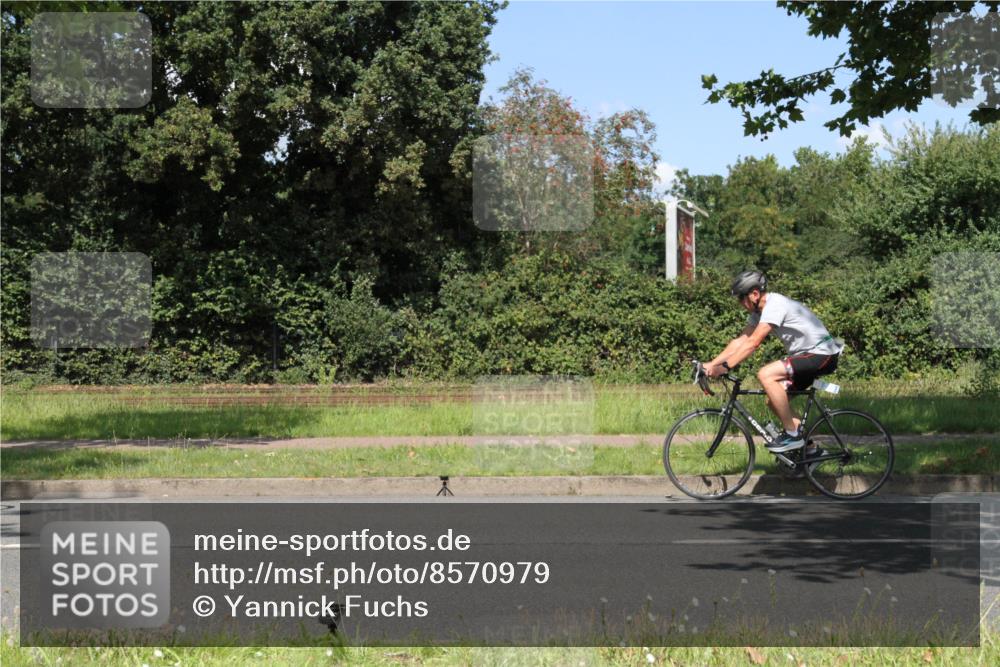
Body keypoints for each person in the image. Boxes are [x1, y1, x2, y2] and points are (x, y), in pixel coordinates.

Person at [703, 270, 843, 452]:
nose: (740, 303)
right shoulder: (759, 312)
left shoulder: (775, 305)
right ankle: (811, 450)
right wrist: (712, 364)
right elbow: (741, 340)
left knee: (765, 374)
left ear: (754, 294)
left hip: (821, 354)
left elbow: (754, 342)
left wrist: (726, 367)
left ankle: (792, 435)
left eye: (741, 298)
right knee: (774, 401)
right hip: (808, 355)